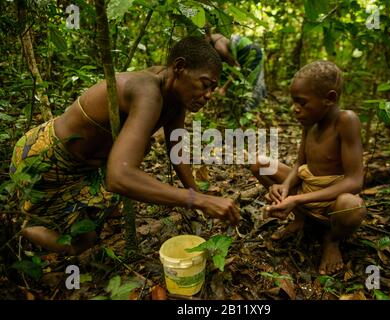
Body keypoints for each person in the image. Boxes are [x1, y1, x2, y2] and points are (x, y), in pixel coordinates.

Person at [9, 36, 240, 256]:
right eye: (205, 84)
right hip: (45, 159)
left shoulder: (176, 98)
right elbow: (119, 177)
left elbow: (176, 151)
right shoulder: (147, 91)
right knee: (80, 243)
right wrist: (198, 200)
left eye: (212, 88)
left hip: (85, 168)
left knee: (95, 227)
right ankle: (18, 230)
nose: (209, 95)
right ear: (179, 67)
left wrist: (198, 194)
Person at [250, 61, 366, 275]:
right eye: (294, 102)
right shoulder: (310, 122)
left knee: (351, 205)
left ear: (329, 99)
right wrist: (285, 187)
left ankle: (332, 241)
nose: (296, 109)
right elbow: (299, 164)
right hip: (307, 188)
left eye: (302, 103)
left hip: (331, 202)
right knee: (259, 164)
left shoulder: (346, 121)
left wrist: (296, 199)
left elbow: (354, 181)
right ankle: (300, 220)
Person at [206, 31, 267, 111]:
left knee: (249, 85)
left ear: (207, 35)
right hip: (245, 56)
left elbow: (236, 68)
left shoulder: (218, 46)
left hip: (253, 55)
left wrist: (223, 89)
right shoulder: (214, 39)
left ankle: (246, 111)